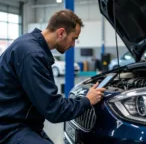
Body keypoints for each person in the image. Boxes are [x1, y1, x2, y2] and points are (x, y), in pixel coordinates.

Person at [0, 9, 105, 144]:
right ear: (61, 33)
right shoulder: (32, 54)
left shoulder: (31, 44)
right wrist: (87, 101)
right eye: (74, 39)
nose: (73, 45)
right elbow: (53, 109)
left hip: (23, 122)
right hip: (9, 128)